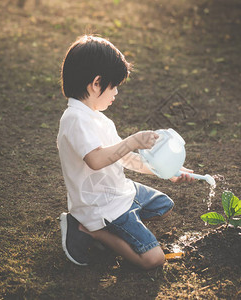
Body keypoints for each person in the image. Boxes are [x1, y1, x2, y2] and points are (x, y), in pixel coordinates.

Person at [57, 35, 194, 270]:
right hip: (99, 205)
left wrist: (166, 171)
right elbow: (96, 160)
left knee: (164, 205)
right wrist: (133, 140)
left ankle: (119, 227)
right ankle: (89, 229)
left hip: (119, 192)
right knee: (154, 259)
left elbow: (126, 158)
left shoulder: (99, 119)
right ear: (96, 83)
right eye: (114, 86)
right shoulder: (75, 119)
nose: (116, 93)